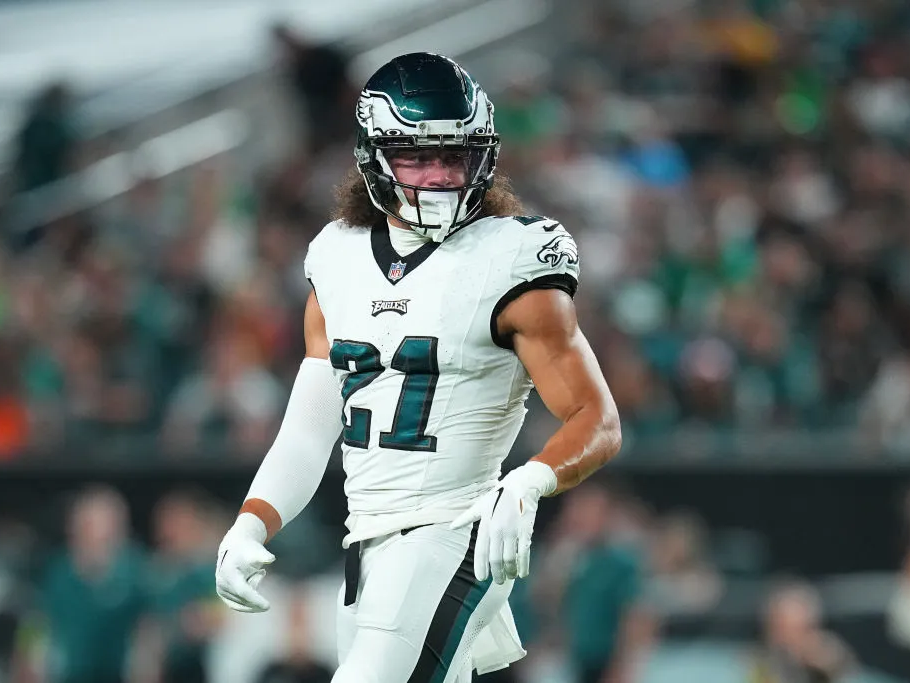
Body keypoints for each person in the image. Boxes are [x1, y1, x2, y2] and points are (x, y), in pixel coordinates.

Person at [214, 52, 622, 683]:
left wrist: (528, 481)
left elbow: (596, 416)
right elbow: (312, 422)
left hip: (455, 534)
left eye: (451, 157)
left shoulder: (512, 258)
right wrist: (252, 520)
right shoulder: (337, 256)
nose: (435, 177)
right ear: (373, 158)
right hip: (367, 544)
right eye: (414, 157)